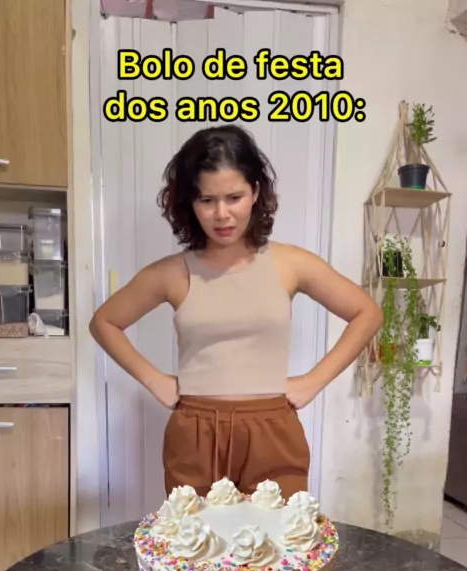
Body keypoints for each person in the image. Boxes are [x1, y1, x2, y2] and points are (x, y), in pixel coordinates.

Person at [89, 124, 382, 501]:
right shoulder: (171, 273)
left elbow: (366, 313)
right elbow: (104, 322)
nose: (221, 214)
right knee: (194, 537)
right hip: (195, 432)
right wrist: (154, 379)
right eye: (206, 200)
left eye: (234, 197)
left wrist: (313, 381)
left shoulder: (290, 264)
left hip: (273, 430)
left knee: (278, 537)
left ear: (255, 192)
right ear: (190, 202)